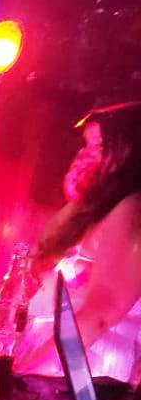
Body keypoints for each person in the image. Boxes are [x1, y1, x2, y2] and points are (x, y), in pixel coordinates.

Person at [19, 102, 141, 377]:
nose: (83, 156)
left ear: (127, 154)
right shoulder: (88, 211)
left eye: (97, 146)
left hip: (86, 364)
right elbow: (37, 258)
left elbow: (99, 316)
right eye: (84, 145)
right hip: (41, 343)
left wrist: (23, 375)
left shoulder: (132, 211)